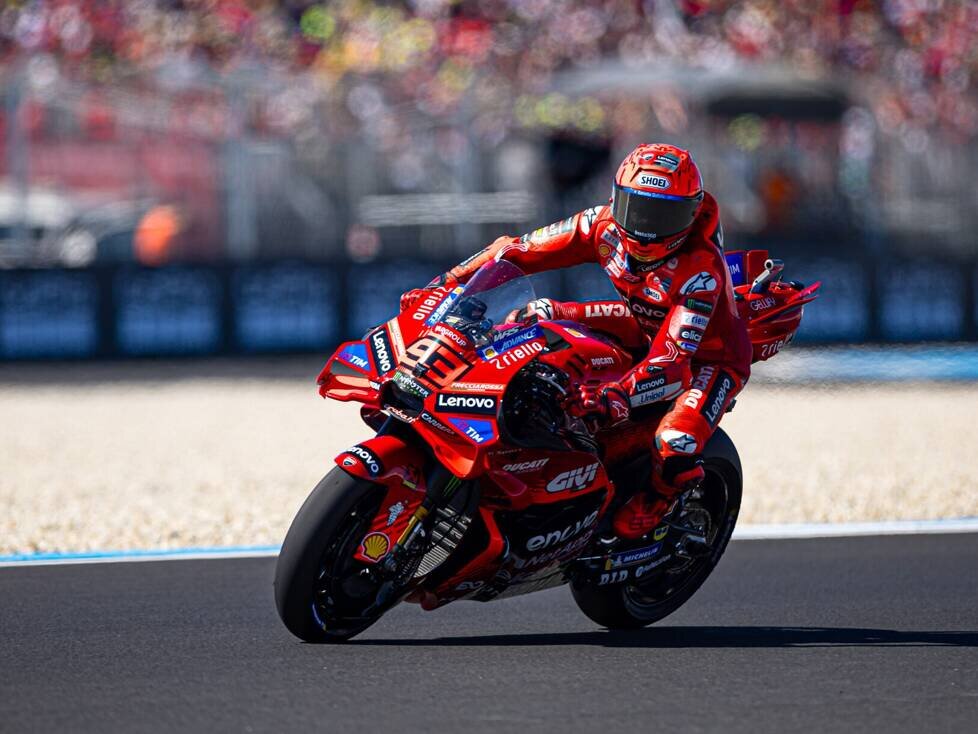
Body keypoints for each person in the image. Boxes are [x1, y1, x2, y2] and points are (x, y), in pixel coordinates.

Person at [402, 143, 752, 540]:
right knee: (537, 314)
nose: (647, 229)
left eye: (664, 216)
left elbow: (672, 362)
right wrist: (445, 284)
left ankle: (658, 500)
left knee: (676, 440)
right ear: (616, 200)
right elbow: (516, 251)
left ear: (690, 214)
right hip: (641, 323)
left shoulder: (700, 271)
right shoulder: (600, 225)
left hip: (708, 359)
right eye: (637, 210)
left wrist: (615, 396)